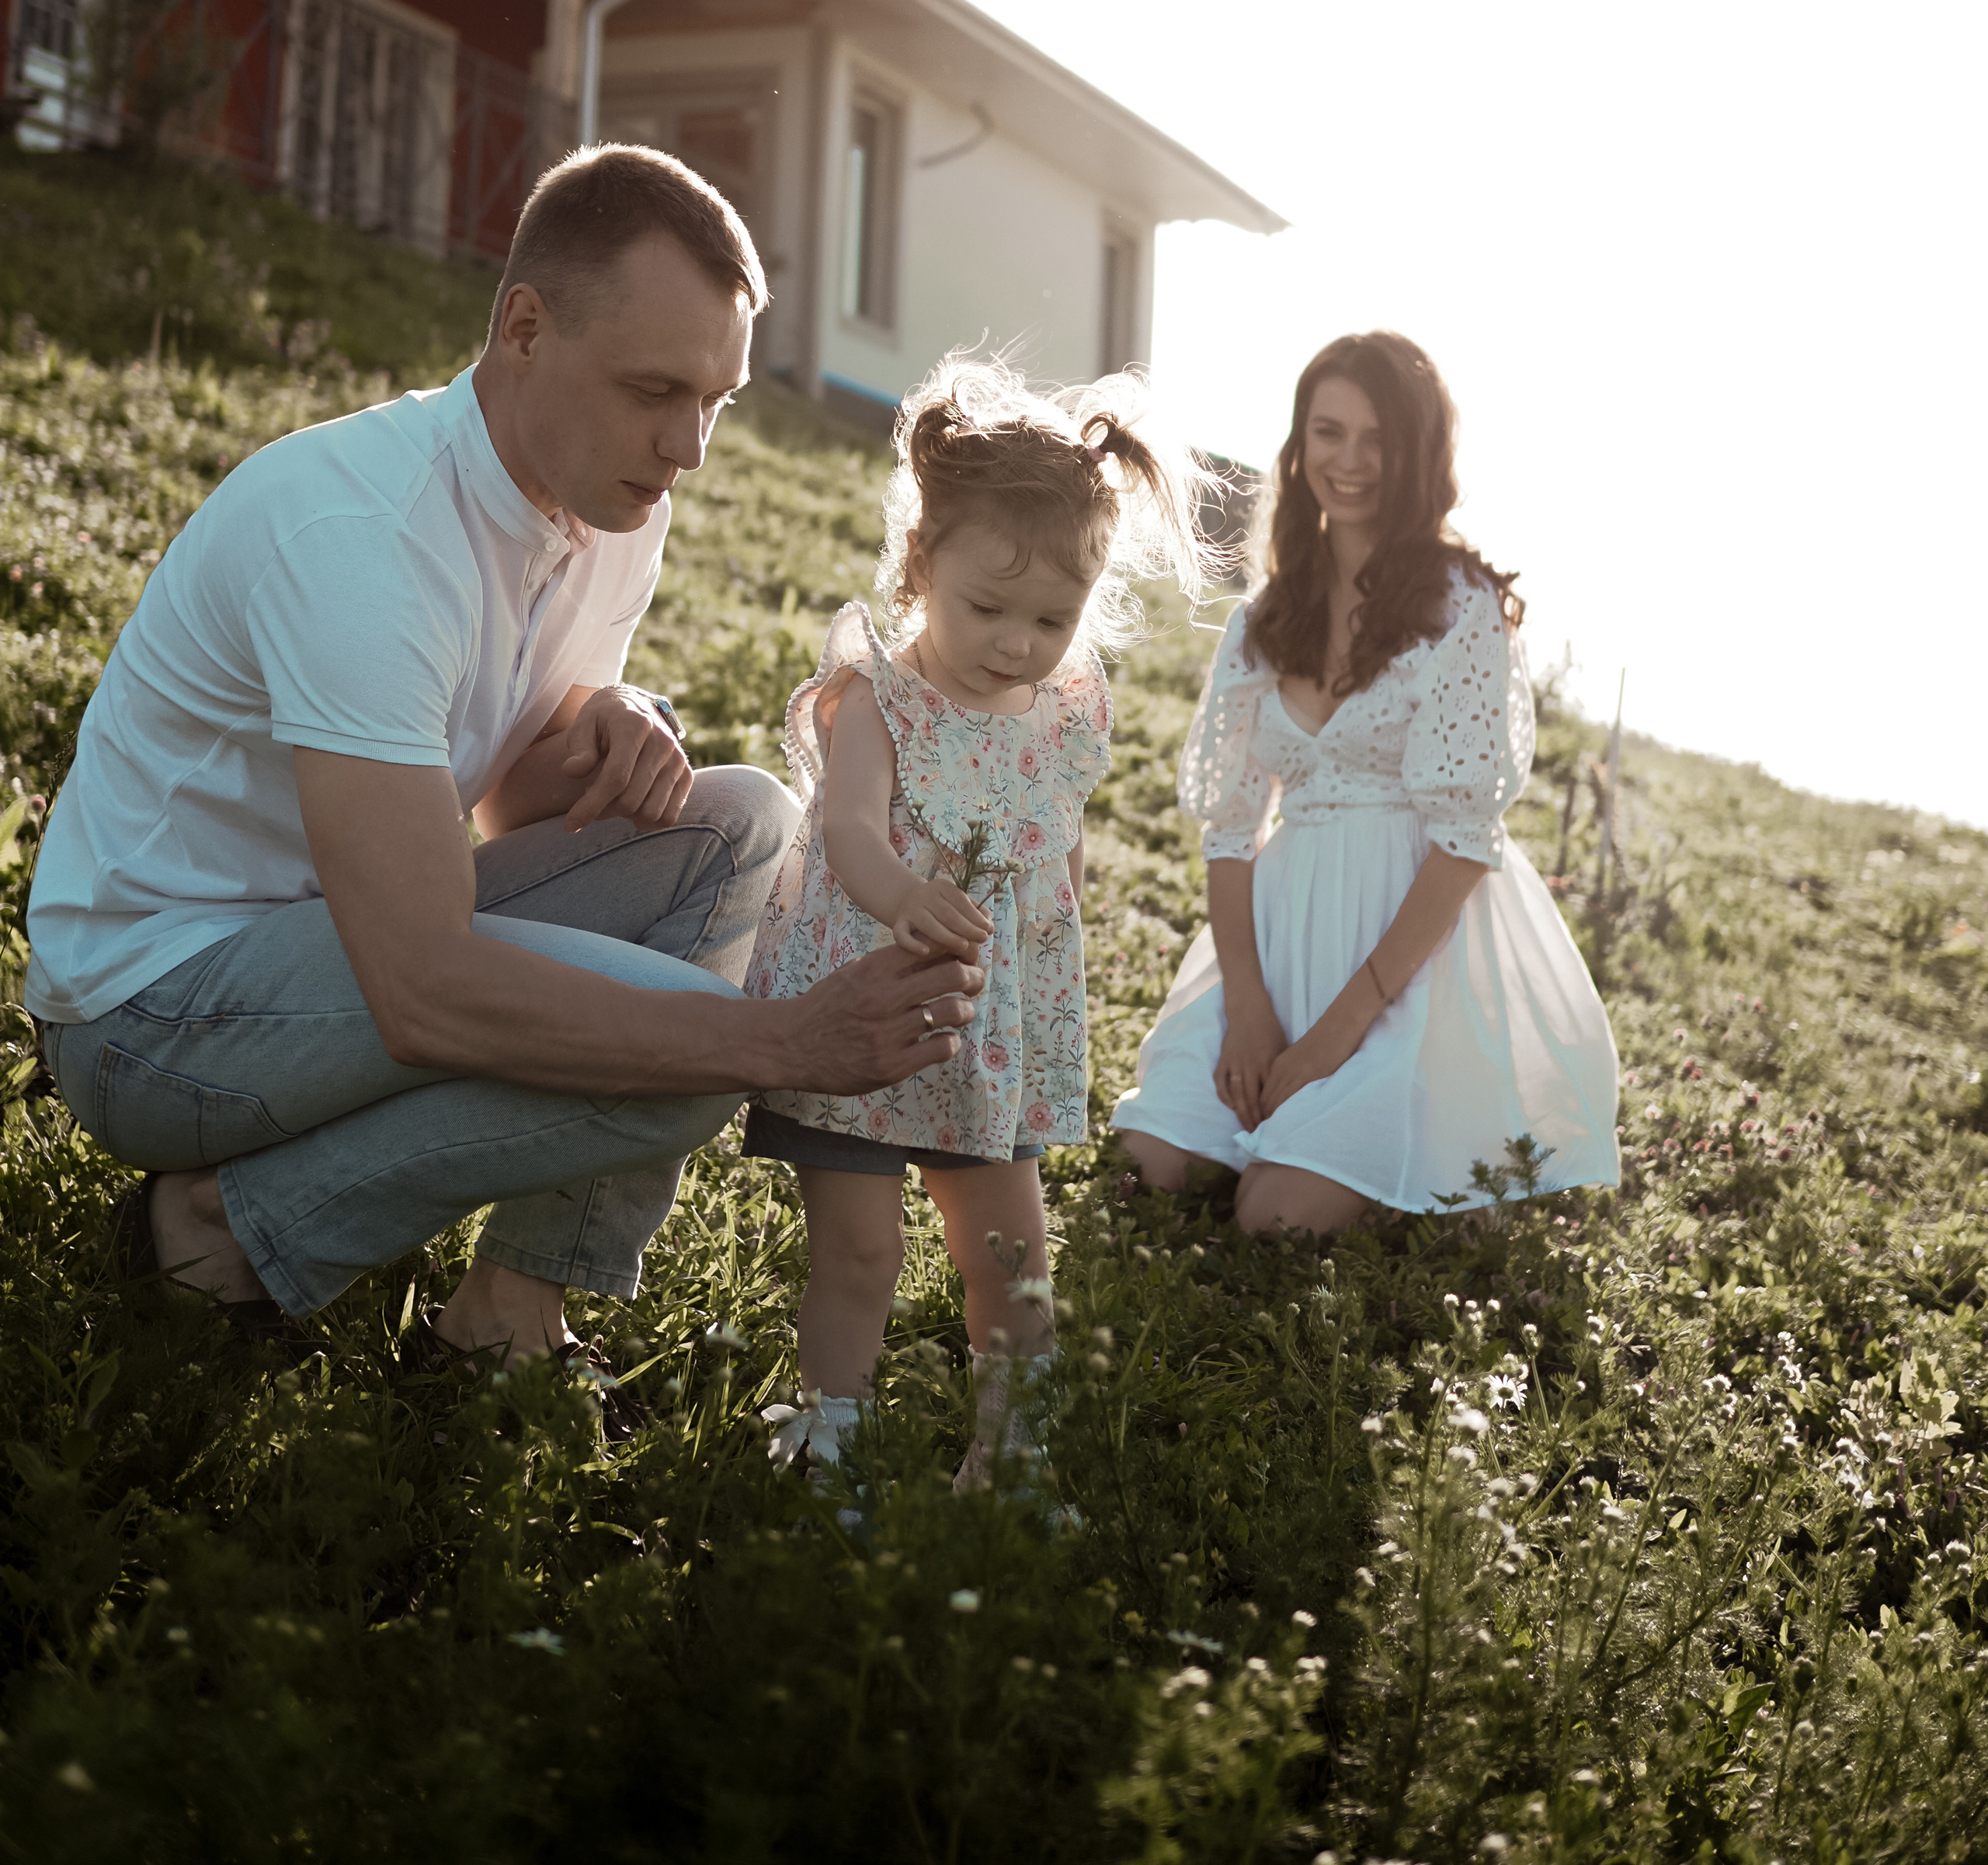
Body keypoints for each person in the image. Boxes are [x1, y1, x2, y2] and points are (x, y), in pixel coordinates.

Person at [25, 144, 978, 1396]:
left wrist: (599, 730)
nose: (688, 446)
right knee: (695, 1050)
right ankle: (222, 1231)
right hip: (153, 1012)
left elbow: (495, 800)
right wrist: (784, 1039)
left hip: (338, 942)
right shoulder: (362, 536)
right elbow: (424, 987)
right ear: (523, 327)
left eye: (718, 400)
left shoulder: (609, 497)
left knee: (745, 820)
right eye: (655, 389)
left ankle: (509, 1309)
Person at [740, 354, 1215, 1487]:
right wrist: (904, 897)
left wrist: (1051, 939)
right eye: (988, 607)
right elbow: (848, 829)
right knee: (860, 1249)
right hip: (866, 1001)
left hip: (989, 1032)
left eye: (1054, 616)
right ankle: (828, 1447)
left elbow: (1060, 843)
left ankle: (1011, 1454)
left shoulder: (1060, 713)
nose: (1017, 642)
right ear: (921, 563)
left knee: (1012, 1254)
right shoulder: (881, 696)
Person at [1111, 331, 1618, 1239]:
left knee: (1274, 1218)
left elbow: (1464, 845)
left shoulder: (1464, 608)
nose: (1349, 460)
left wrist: (1333, 1038)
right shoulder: (1265, 618)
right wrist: (1250, 1011)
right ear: (1299, 444)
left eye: (1376, 437)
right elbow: (1231, 829)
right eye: (1328, 431)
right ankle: (1298, 1133)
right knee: (1157, 1165)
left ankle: (1396, 1153)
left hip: (1405, 959)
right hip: (1277, 936)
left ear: (1418, 452)